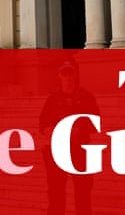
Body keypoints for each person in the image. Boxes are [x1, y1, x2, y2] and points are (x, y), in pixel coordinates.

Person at [38, 60, 98, 215]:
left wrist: (80, 129)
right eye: (64, 74)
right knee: (55, 193)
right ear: (59, 76)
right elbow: (42, 124)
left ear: (75, 75)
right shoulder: (52, 99)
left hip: (80, 150)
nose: (68, 77)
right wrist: (48, 130)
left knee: (83, 193)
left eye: (70, 73)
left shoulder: (86, 97)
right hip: (56, 152)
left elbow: (96, 123)